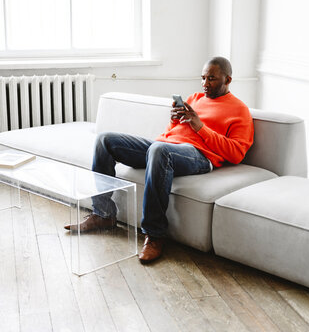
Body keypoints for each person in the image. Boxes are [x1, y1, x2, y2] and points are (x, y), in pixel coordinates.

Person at [65, 57, 254, 263]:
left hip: (199, 156)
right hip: (163, 148)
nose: (205, 84)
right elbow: (172, 134)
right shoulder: (195, 98)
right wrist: (174, 120)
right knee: (105, 140)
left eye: (212, 79)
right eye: (203, 78)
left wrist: (200, 126)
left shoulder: (240, 110)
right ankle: (103, 214)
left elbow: (236, 153)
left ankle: (154, 235)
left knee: (159, 150)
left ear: (228, 79)